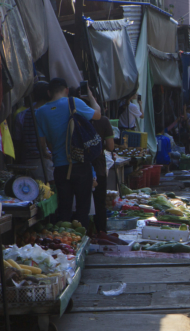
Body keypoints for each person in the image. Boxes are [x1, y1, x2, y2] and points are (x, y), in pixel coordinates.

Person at [35, 77, 102, 226]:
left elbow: (42, 143)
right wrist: (91, 98)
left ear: (48, 92)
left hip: (60, 167)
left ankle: (66, 244)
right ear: (66, 90)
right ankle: (82, 239)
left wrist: (49, 154)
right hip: (80, 164)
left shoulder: (39, 112)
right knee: (82, 209)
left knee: (64, 209)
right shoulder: (74, 102)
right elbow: (98, 115)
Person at [12, 81, 52, 180]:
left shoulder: (22, 115)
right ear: (48, 93)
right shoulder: (47, 113)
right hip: (46, 161)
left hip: (28, 161)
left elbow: (17, 141)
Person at [89, 92, 115, 235]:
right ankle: (100, 233)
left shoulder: (75, 118)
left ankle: (85, 235)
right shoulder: (103, 121)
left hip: (78, 167)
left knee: (81, 204)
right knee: (99, 204)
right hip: (98, 167)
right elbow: (111, 146)